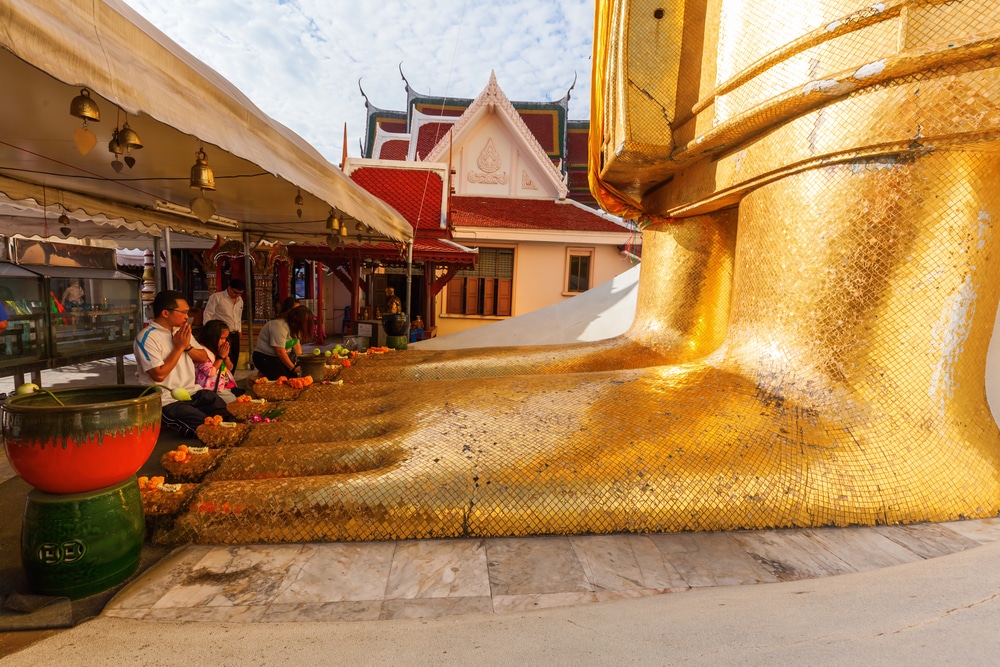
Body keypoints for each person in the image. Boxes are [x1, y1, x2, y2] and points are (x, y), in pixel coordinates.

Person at [134, 290, 228, 438]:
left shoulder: (182, 331)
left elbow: (203, 357)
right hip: (167, 400)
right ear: (165, 313)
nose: (187, 316)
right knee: (206, 429)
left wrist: (187, 347)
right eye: (183, 312)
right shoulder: (147, 337)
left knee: (226, 415)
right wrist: (178, 348)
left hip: (192, 392)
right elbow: (159, 375)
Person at [252, 305, 315, 381]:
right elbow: (279, 351)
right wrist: (293, 368)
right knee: (284, 379)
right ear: (297, 320)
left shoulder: (296, 327)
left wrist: (300, 362)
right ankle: (255, 379)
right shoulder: (279, 325)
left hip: (279, 357)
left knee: (296, 377)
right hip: (265, 357)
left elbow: (296, 345)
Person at [194, 318, 242, 403]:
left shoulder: (219, 349)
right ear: (211, 337)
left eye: (226, 338)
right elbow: (210, 372)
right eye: (222, 338)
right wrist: (220, 357)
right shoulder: (202, 351)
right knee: (235, 405)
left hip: (225, 386)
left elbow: (230, 367)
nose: (224, 341)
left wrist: (226, 357)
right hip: (212, 390)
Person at [202, 278, 244, 371]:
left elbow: (238, 316)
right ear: (229, 288)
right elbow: (208, 313)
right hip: (221, 334)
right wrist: (208, 330)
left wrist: (239, 329)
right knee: (223, 356)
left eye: (240, 293)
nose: (237, 295)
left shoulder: (240, 300)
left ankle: (231, 380)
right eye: (235, 292)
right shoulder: (217, 297)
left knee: (234, 357)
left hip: (234, 333)